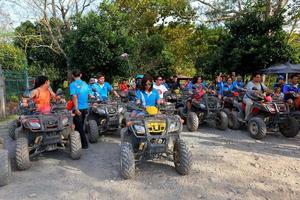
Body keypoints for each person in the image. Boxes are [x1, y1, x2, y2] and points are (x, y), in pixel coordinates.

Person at [69, 69, 90, 149]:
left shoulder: (72, 84)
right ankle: (78, 143)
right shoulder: (85, 83)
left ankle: (84, 144)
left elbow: (74, 96)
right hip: (85, 107)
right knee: (79, 126)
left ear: (72, 76)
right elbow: (89, 94)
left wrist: (76, 109)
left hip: (78, 108)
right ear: (80, 75)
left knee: (79, 127)